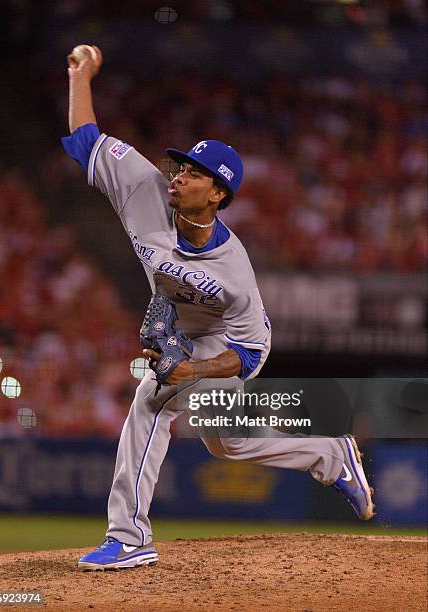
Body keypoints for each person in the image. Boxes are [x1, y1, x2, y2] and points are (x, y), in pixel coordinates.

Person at [62, 46, 375, 571]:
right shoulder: (143, 187)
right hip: (182, 330)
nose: (179, 174)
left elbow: (249, 353)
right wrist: (80, 76)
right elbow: (84, 141)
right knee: (226, 443)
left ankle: (130, 537)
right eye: (182, 165)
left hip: (227, 343)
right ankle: (330, 452)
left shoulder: (233, 272)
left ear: (218, 194)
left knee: (152, 402)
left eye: (194, 172)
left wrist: (192, 369)